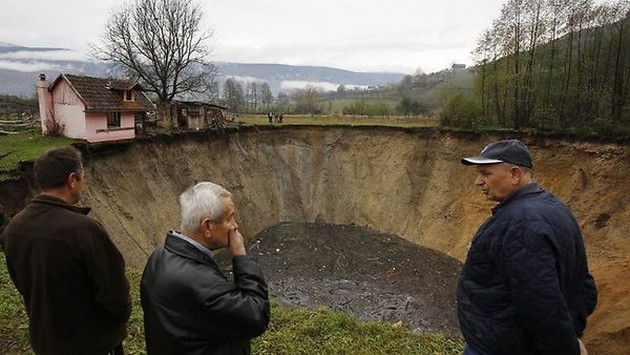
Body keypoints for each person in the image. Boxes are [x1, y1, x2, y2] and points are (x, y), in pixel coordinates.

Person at [457, 139, 597, 355]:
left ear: (515, 174)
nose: (478, 181)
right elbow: (583, 284)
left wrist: (566, 348)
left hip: (505, 347)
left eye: (486, 174)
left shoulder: (521, 223)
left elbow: (540, 302)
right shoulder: (553, 207)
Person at [1, 147, 131, 355]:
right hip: (91, 344)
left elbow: (22, 283)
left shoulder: (13, 229)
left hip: (46, 342)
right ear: (72, 179)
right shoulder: (84, 230)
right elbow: (115, 294)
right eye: (82, 177)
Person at [141, 182, 270, 355]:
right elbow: (256, 316)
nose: (235, 226)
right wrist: (241, 258)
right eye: (229, 218)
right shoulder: (204, 287)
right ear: (207, 227)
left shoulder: (159, 255)